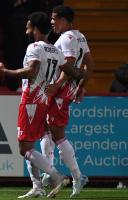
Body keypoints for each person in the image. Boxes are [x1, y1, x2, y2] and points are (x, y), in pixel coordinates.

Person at [0, 11, 85, 198]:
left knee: (24, 148)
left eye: (28, 25)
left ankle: (56, 176)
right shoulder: (55, 50)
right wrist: (81, 83)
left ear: (34, 27)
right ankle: (37, 187)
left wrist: (4, 72)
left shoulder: (34, 47)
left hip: (32, 100)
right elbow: (73, 71)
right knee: (30, 144)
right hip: (44, 101)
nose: (25, 29)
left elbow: (32, 71)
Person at [39, 5, 95, 198]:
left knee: (57, 132)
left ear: (64, 19)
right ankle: (49, 171)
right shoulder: (80, 36)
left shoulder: (66, 38)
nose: (52, 22)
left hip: (61, 89)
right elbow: (91, 64)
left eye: (54, 18)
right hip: (67, 88)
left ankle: (78, 176)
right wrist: (81, 86)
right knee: (45, 127)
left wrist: (57, 85)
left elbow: (69, 63)